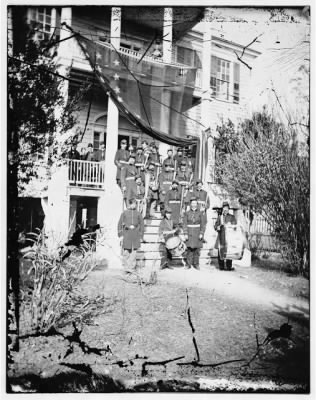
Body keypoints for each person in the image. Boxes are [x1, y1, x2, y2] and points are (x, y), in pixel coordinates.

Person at [118, 198, 144, 270]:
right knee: (126, 251)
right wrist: (120, 235)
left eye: (135, 204)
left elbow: (142, 224)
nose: (133, 205)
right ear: (129, 204)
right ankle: (126, 268)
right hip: (127, 233)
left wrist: (141, 235)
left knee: (134, 252)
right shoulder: (124, 213)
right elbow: (119, 224)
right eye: (132, 204)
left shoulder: (138, 213)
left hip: (135, 234)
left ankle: (132, 268)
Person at [183, 197, 206, 270]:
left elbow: (203, 224)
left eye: (195, 203)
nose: (194, 205)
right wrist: (185, 233)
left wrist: (201, 233)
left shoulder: (200, 213)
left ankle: (196, 264)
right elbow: (184, 224)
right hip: (189, 232)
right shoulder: (186, 213)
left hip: (197, 232)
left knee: (196, 249)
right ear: (190, 204)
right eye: (192, 203)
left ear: (197, 204)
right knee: (189, 249)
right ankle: (188, 264)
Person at [214, 201, 237, 271]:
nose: (225, 209)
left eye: (226, 208)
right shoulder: (220, 217)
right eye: (224, 208)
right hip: (221, 237)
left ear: (228, 209)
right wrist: (216, 227)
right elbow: (215, 225)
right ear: (222, 209)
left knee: (229, 251)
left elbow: (235, 226)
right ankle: (221, 266)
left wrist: (231, 225)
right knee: (220, 251)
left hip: (229, 238)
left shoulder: (232, 217)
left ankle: (229, 266)